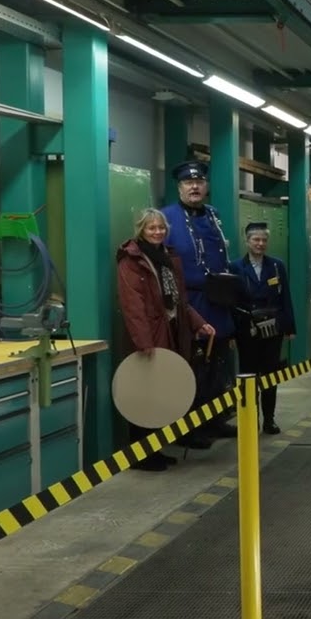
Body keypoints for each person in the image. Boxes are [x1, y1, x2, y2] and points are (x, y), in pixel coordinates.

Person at [115, 208, 215, 471]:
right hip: (149, 338)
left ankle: (156, 450)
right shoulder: (131, 260)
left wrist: (199, 323)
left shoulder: (168, 257)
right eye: (151, 228)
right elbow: (132, 307)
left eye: (160, 227)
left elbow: (180, 301)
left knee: (162, 394)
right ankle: (140, 455)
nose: (157, 232)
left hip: (171, 332)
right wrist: (144, 342)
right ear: (141, 230)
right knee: (144, 395)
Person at [160, 160, 240, 447]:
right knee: (194, 367)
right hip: (190, 302)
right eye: (187, 183)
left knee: (218, 365)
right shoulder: (166, 218)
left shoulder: (213, 215)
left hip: (219, 301)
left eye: (199, 182)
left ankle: (215, 420)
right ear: (179, 187)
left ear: (206, 186)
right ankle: (189, 428)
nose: (194, 187)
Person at [229, 222, 296, 435]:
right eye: (256, 240)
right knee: (248, 376)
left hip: (272, 329)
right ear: (247, 242)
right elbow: (230, 301)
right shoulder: (235, 268)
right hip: (246, 329)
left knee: (269, 376)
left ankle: (269, 419)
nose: (260, 244)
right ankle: (250, 420)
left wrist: (289, 327)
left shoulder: (277, 266)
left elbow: (285, 298)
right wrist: (231, 332)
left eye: (264, 240)